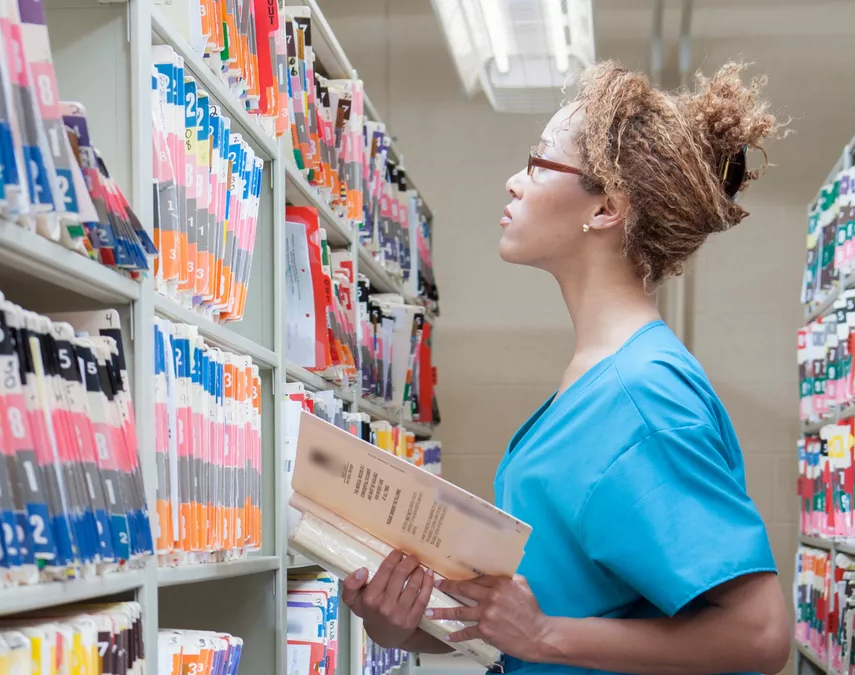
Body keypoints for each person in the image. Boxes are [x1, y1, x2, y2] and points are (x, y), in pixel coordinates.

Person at [339, 60, 792, 675]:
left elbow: (760, 633)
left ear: (606, 208)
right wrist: (401, 621)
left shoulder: (643, 395)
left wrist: (546, 636)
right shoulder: (597, 379)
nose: (513, 182)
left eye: (538, 162)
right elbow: (547, 616)